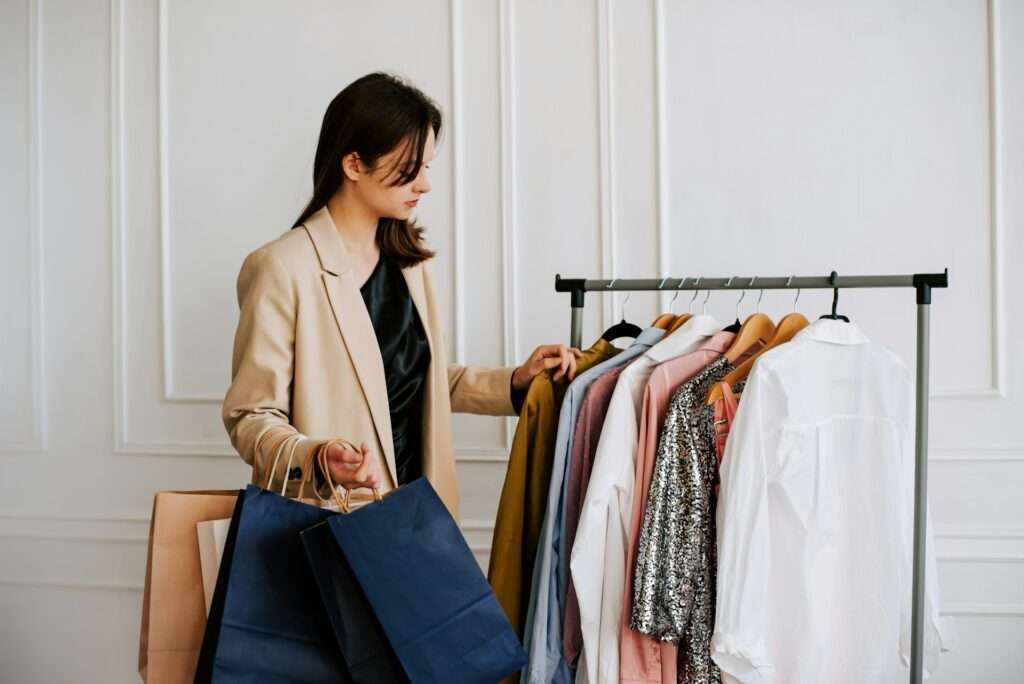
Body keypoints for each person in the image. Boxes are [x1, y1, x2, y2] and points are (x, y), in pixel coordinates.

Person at [222, 72, 579, 519]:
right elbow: (250, 415)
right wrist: (316, 455)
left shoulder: (411, 262)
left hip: (419, 513)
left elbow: (422, 379)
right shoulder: (282, 268)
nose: (424, 184)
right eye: (411, 169)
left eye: (427, 167)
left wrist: (514, 381)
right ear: (354, 165)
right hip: (332, 522)